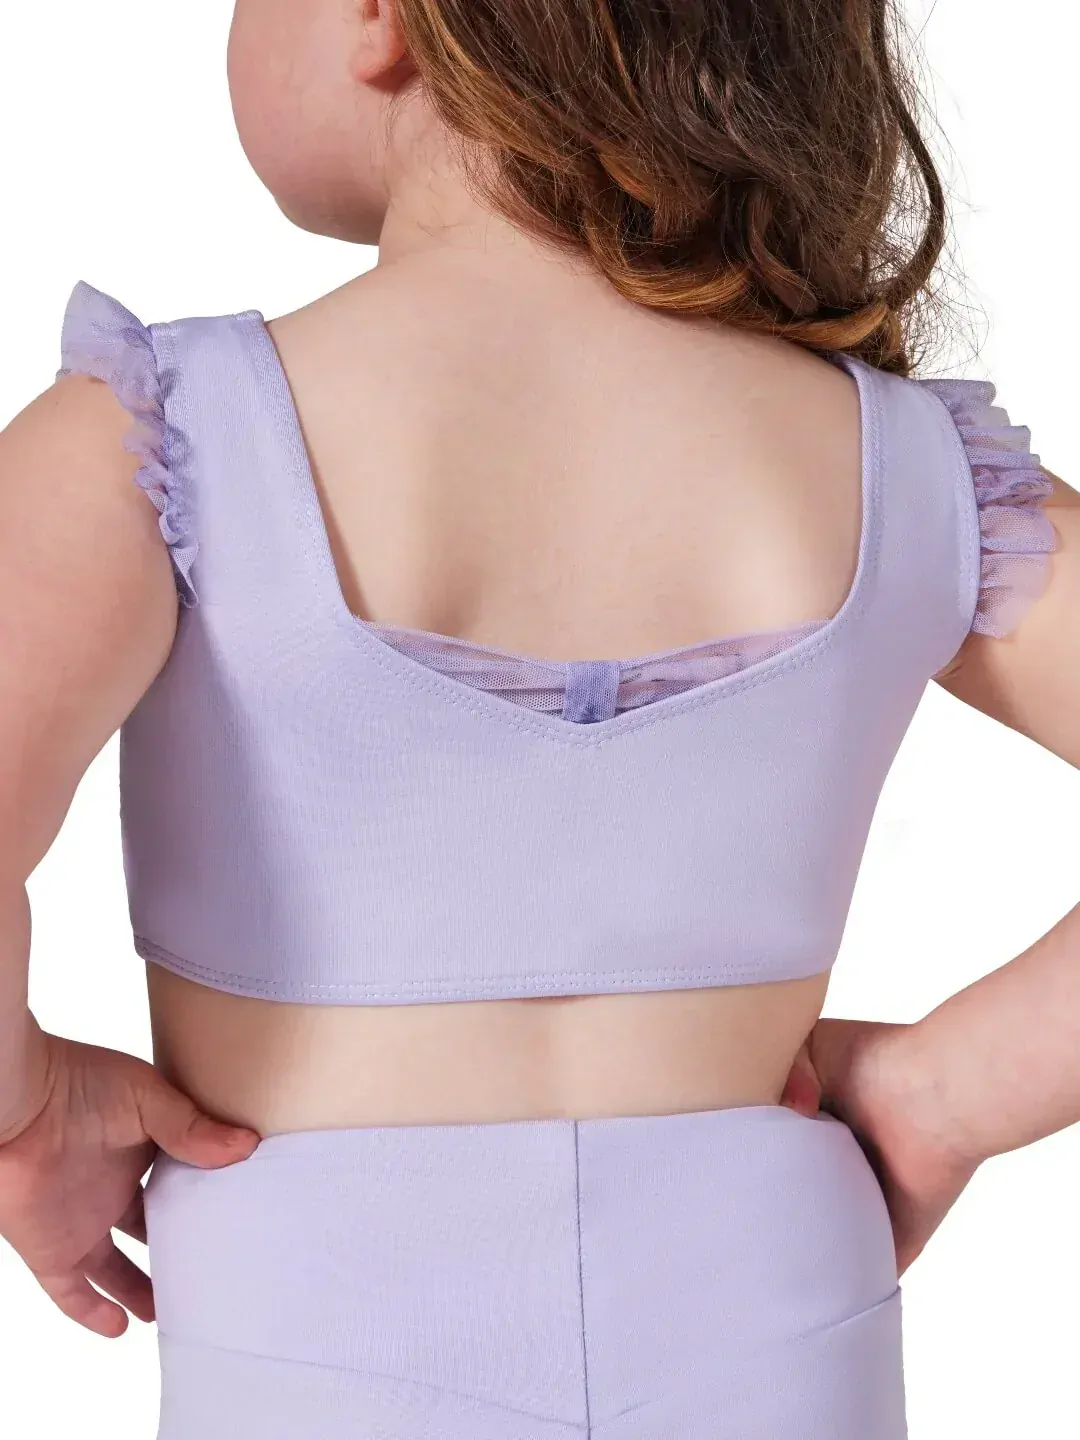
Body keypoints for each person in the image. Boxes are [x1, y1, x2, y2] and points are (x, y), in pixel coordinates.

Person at [0, 1, 1076, 1436]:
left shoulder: (162, 433)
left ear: (383, 20)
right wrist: (952, 1093)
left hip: (316, 1313)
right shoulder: (902, 466)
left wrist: (28, 1116)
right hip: (773, 1308)